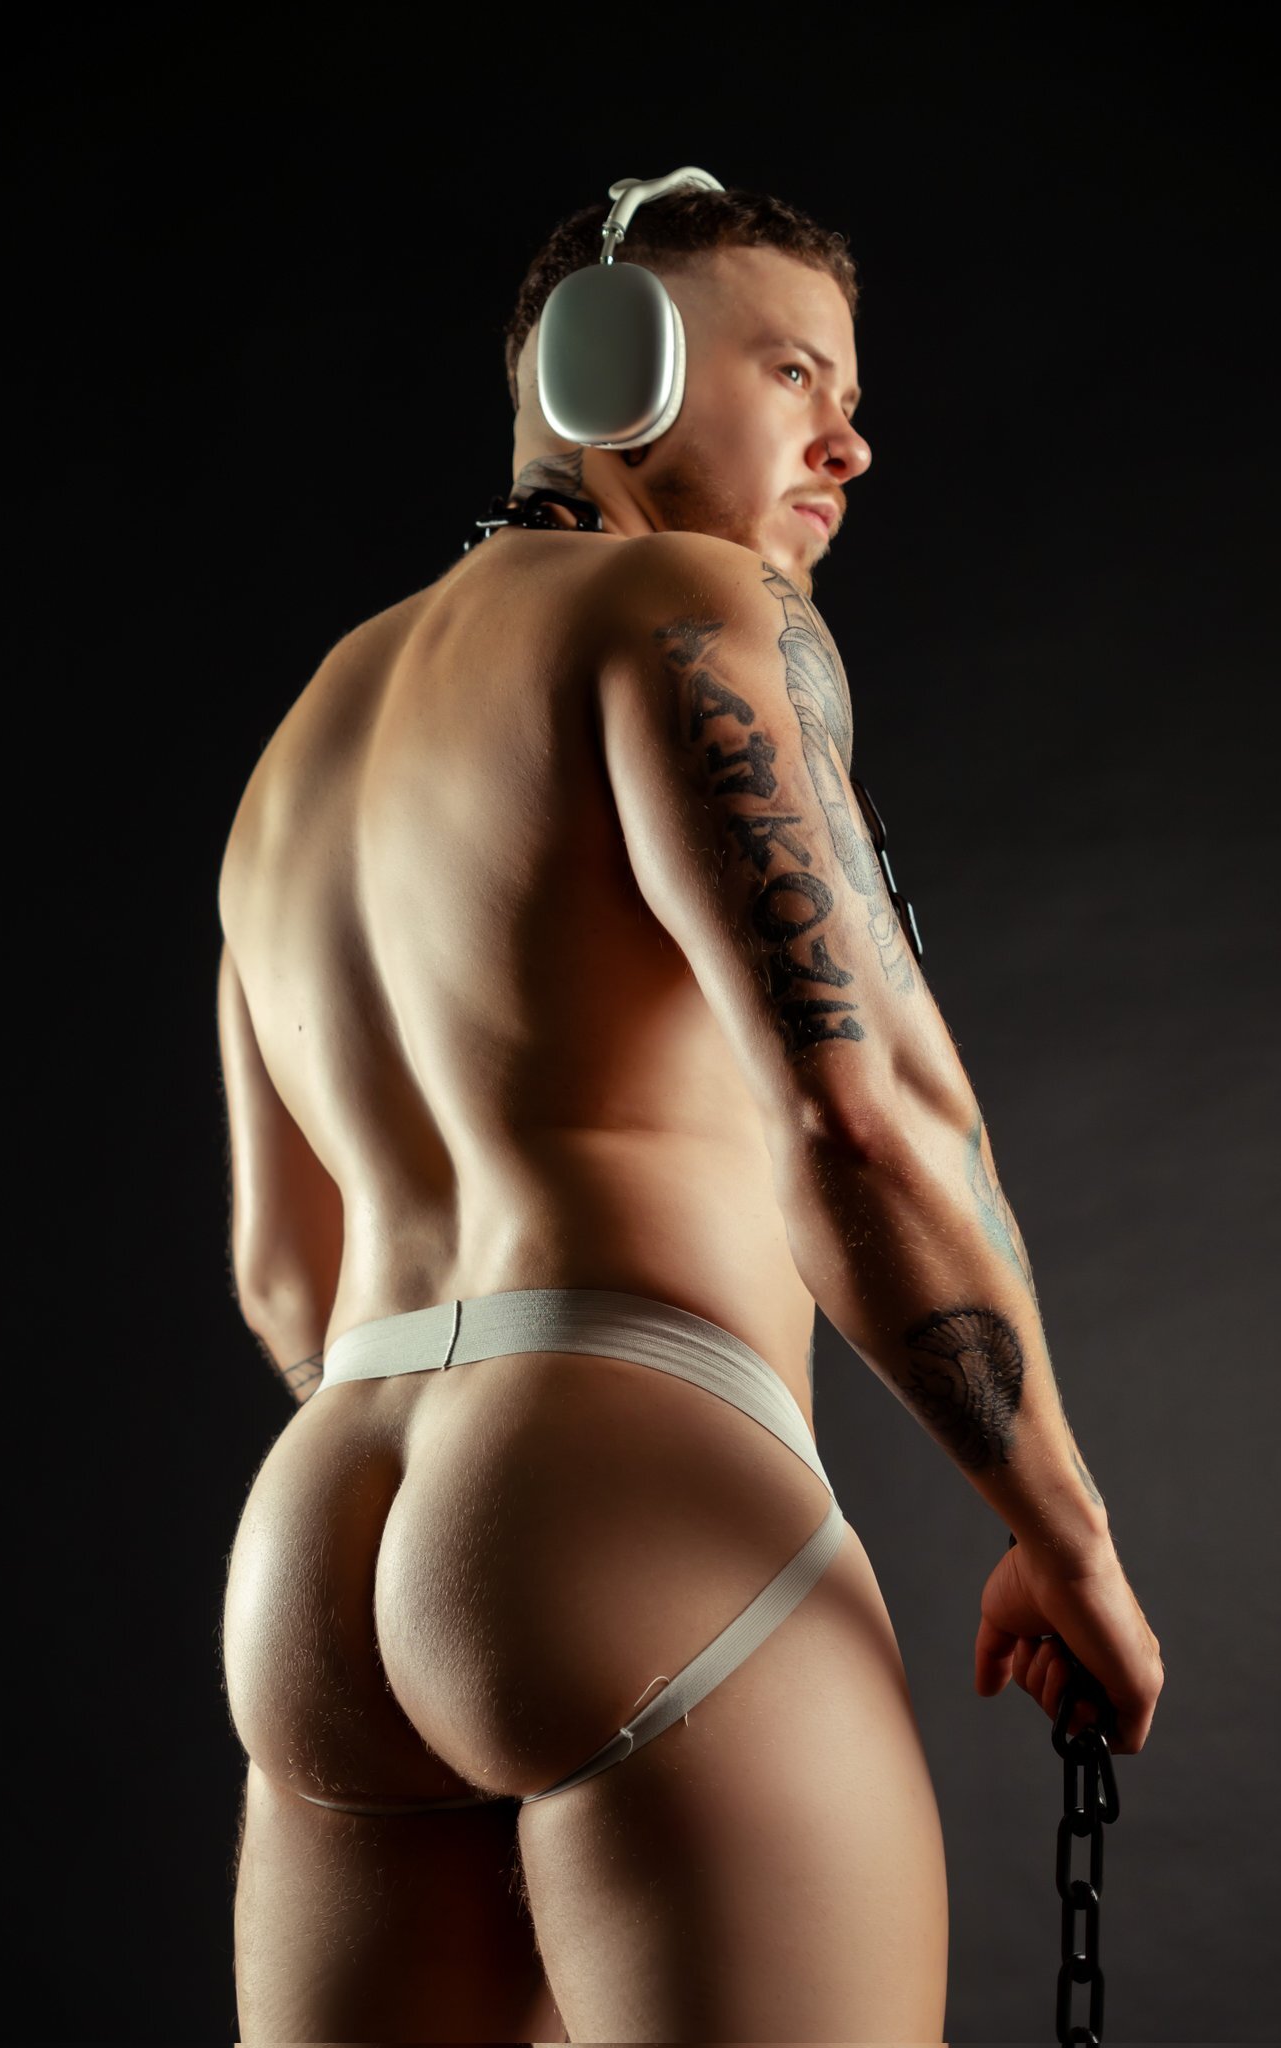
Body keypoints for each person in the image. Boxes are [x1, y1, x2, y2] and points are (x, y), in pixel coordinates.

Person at [215, 182, 1163, 2045]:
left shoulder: (305, 739)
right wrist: (1063, 1537)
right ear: (611, 364)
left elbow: (275, 1271)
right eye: (794, 374)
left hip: (323, 1539)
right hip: (632, 1478)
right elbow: (860, 1116)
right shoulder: (692, 609)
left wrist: (450, 1543)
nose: (848, 445)